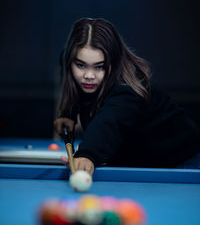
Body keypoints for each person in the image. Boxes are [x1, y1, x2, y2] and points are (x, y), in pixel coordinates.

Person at [54, 18, 200, 175]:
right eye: (81, 65)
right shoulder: (69, 61)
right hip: (142, 160)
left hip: (185, 162)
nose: (89, 75)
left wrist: (86, 155)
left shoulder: (127, 87)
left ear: (113, 62)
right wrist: (68, 114)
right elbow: (69, 78)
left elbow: (110, 122)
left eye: (99, 67)